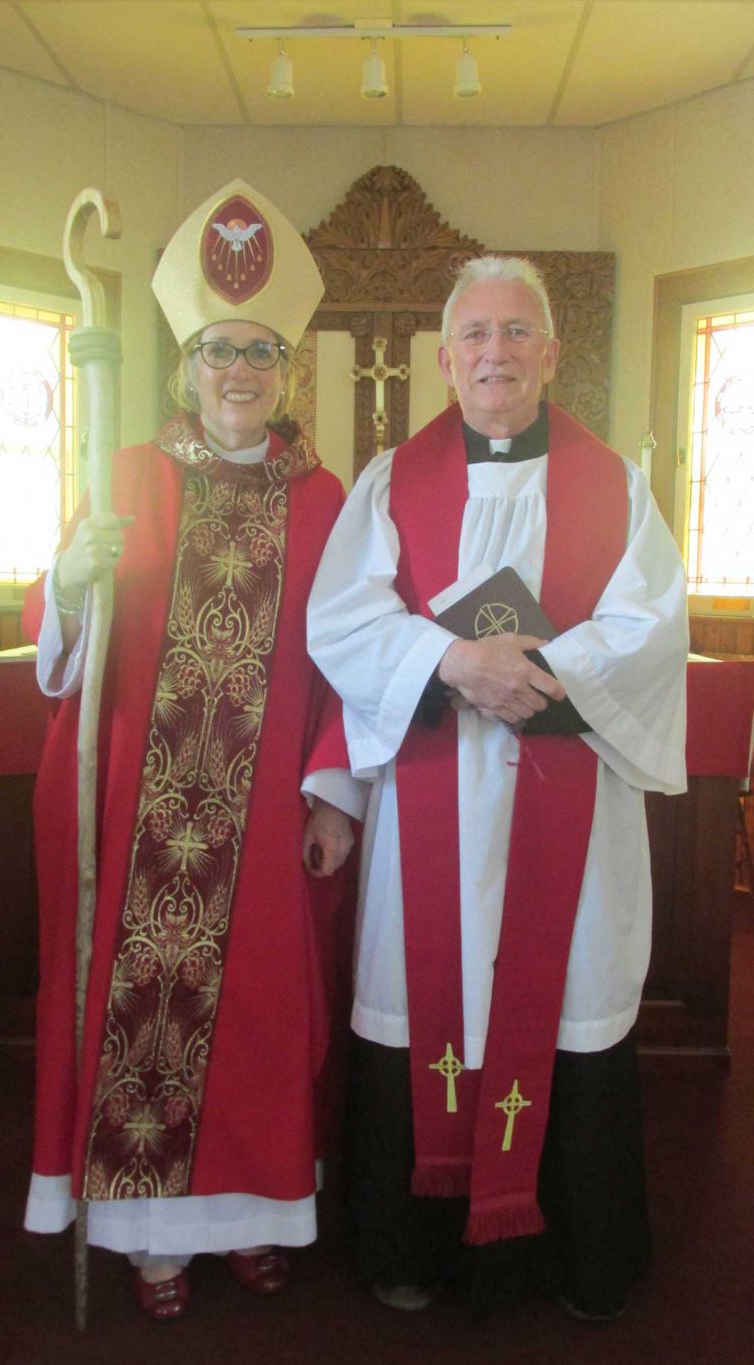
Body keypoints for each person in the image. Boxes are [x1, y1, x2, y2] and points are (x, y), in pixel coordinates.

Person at [307, 255, 688, 1321]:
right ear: (444, 359)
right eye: (475, 335)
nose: (496, 353)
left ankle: (576, 1257)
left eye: (517, 333)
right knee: (424, 996)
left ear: (552, 354)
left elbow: (654, 625)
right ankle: (412, 1244)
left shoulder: (616, 486)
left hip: (568, 795)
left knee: (564, 1000)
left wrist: (542, 676)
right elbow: (341, 619)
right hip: (434, 789)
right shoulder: (393, 482)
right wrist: (449, 661)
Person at [22, 178, 362, 1320]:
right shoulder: (123, 477)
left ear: (286, 369)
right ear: (188, 365)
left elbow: (349, 656)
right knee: (142, 1017)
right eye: (220, 351)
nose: (239, 371)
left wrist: (333, 794)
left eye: (261, 351)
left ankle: (254, 1217)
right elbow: (60, 634)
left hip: (264, 814)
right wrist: (72, 581)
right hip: (140, 808)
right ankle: (148, 1238)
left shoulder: (326, 501)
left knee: (263, 1016)